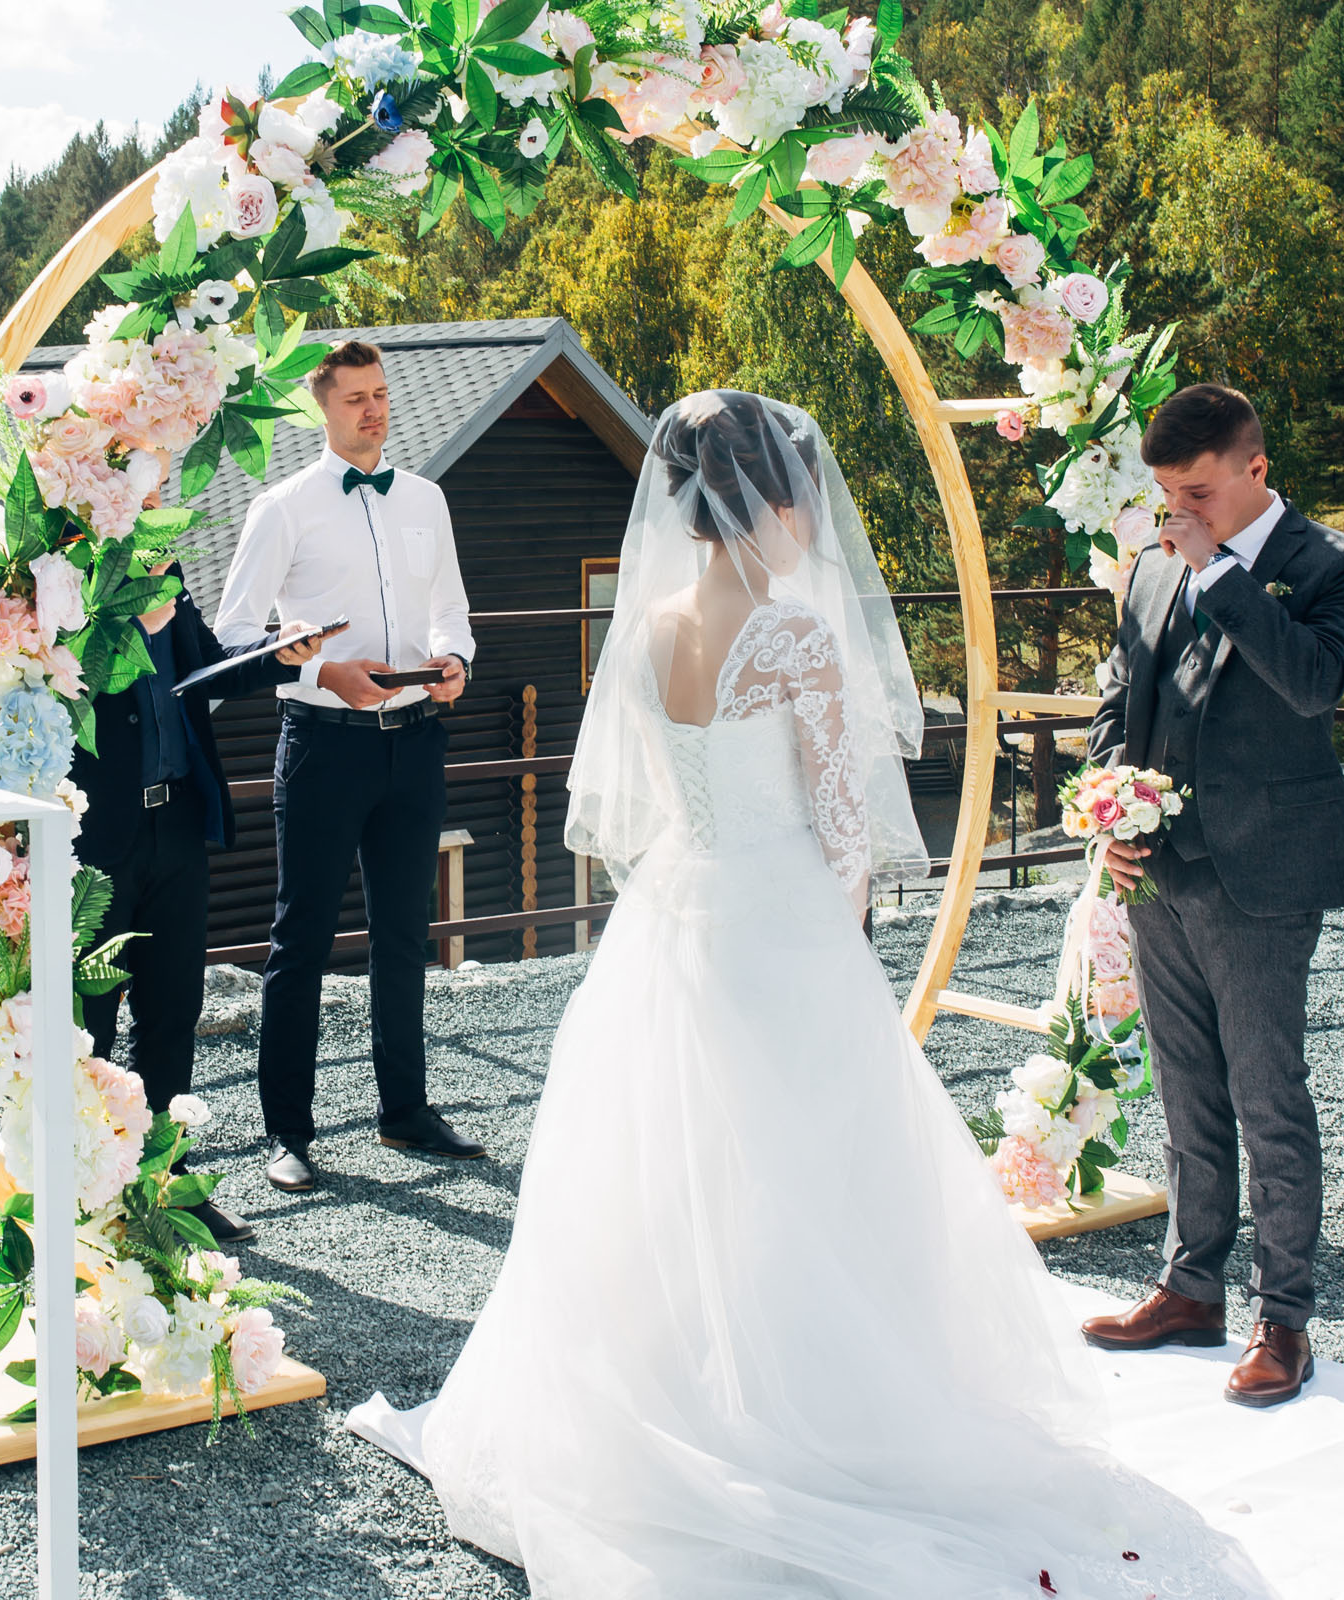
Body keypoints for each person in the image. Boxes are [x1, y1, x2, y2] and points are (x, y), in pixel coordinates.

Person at [350, 391, 1273, 1597]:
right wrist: (841, 916)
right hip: (777, 916)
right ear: (766, 500)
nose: (807, 517)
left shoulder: (642, 626)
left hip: (674, 917)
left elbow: (634, 812)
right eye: (798, 495)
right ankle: (810, 1415)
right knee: (813, 1170)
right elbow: (848, 830)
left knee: (667, 1175)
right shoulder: (791, 635)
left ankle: (666, 1401)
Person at [1081, 383, 1344, 1408]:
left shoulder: (1337, 566)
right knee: (1186, 1094)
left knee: (1268, 1099)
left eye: (1199, 492)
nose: (1179, 513)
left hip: (1267, 873)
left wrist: (1223, 573)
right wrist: (1109, 811)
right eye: (1168, 494)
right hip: (1161, 871)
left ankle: (1283, 1321)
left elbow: (1312, 682)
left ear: (1255, 470)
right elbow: (1121, 697)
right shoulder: (1153, 568)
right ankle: (1190, 1285)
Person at [212, 340, 482, 1193]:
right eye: (354, 398)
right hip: (324, 747)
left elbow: (452, 610)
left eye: (380, 394)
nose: (373, 410)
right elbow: (232, 639)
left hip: (417, 739)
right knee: (302, 939)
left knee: (406, 935)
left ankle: (405, 1113)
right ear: (322, 409)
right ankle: (287, 1133)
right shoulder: (282, 509)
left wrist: (455, 662)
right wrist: (323, 671)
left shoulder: (429, 501)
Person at [68, 562, 320, 1245]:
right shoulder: (60, 574)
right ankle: (89, 1197)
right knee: (86, 1026)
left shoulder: (165, 570)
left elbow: (209, 668)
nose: (159, 503)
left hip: (176, 826)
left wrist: (278, 653)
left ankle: (169, 1186)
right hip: (95, 838)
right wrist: (116, 627)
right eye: (146, 492)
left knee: (174, 1013)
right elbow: (58, 688)